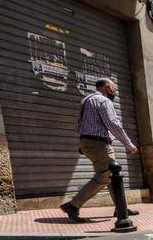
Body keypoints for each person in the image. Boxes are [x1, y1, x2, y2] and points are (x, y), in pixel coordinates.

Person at [59, 78, 140, 223]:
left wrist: (85, 143)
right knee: (105, 177)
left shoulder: (86, 100)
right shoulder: (103, 101)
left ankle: (120, 208)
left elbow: (79, 124)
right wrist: (129, 144)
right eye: (114, 88)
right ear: (107, 87)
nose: (115, 91)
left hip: (88, 141)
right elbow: (113, 123)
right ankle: (73, 205)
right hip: (99, 143)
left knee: (110, 175)